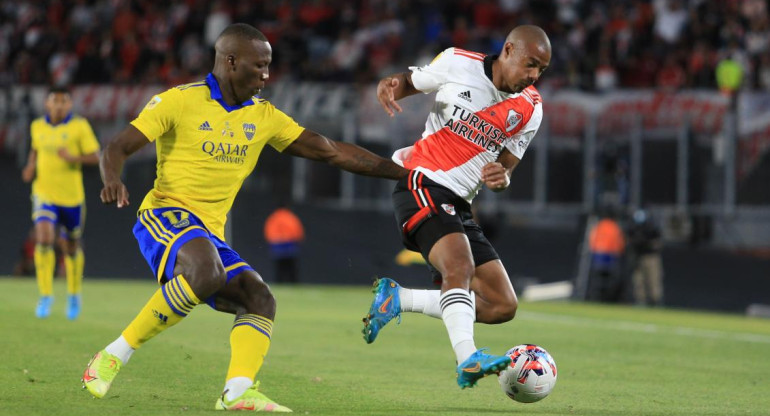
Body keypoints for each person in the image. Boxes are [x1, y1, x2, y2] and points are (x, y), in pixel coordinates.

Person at [82, 23, 407, 412]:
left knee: (259, 298)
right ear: (231, 61)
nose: (267, 76)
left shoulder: (264, 116)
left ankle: (237, 391)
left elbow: (330, 151)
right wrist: (112, 179)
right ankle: (111, 357)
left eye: (269, 67)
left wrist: (404, 173)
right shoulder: (178, 101)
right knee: (207, 273)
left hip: (208, 233)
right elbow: (116, 147)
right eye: (260, 66)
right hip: (165, 214)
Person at [361, 25, 551, 389]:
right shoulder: (457, 62)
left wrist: (503, 178)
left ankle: (398, 298)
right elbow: (406, 81)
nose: (533, 76)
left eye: (541, 70)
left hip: (460, 203)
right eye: (530, 64)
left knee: (501, 305)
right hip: (421, 181)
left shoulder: (531, 109)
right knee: (459, 267)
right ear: (508, 50)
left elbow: (506, 167)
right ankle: (468, 359)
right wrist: (389, 86)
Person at [21, 86, 100, 320]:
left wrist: (73, 157)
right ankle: (46, 295)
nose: (58, 105)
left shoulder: (79, 126)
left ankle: (74, 293)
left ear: (69, 105)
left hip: (72, 198)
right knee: (44, 238)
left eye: (63, 101)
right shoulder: (37, 126)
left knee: (71, 246)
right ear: (47, 103)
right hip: (44, 193)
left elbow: (96, 156)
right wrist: (30, 166)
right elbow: (35, 150)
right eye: (54, 101)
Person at [627, 209, 664, 306]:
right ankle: (641, 301)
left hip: (651, 257)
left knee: (653, 279)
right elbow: (630, 242)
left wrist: (647, 244)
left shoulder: (651, 229)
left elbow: (657, 243)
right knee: (639, 280)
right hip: (639, 257)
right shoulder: (633, 229)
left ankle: (656, 301)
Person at [263, 205, 304, 283]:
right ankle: (293, 283)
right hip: (290, 244)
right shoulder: (290, 216)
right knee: (292, 268)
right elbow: (297, 231)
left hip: (277, 245)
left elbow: (269, 232)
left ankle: (279, 283)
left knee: (279, 268)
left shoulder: (274, 217)